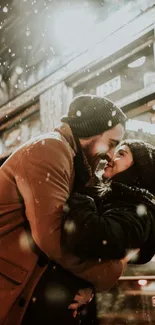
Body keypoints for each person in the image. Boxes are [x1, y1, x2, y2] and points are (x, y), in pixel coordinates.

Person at [0, 94, 126, 325]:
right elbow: (53, 237)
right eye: (111, 144)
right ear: (92, 130)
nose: (110, 155)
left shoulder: (72, 160)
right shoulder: (49, 149)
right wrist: (108, 273)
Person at [62, 139, 155, 265]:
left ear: (138, 168)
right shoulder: (115, 198)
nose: (110, 157)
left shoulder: (138, 209)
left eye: (121, 154)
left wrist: (81, 198)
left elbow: (94, 237)